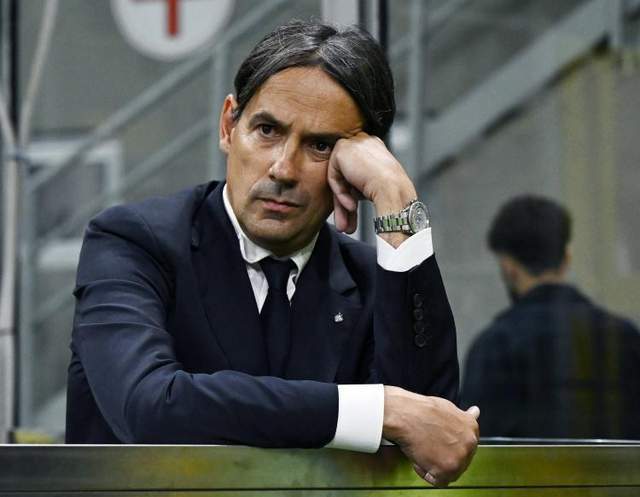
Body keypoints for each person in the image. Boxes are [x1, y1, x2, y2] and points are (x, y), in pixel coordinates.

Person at [66, 20, 479, 486]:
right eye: (267, 130)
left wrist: (396, 196)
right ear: (228, 125)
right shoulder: (133, 242)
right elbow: (149, 406)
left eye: (320, 145)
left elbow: (433, 434)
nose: (283, 168)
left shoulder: (367, 279)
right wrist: (380, 410)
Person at [462, 194, 640, 439]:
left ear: (507, 266)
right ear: (567, 258)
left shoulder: (493, 346)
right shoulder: (626, 338)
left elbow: (475, 442)